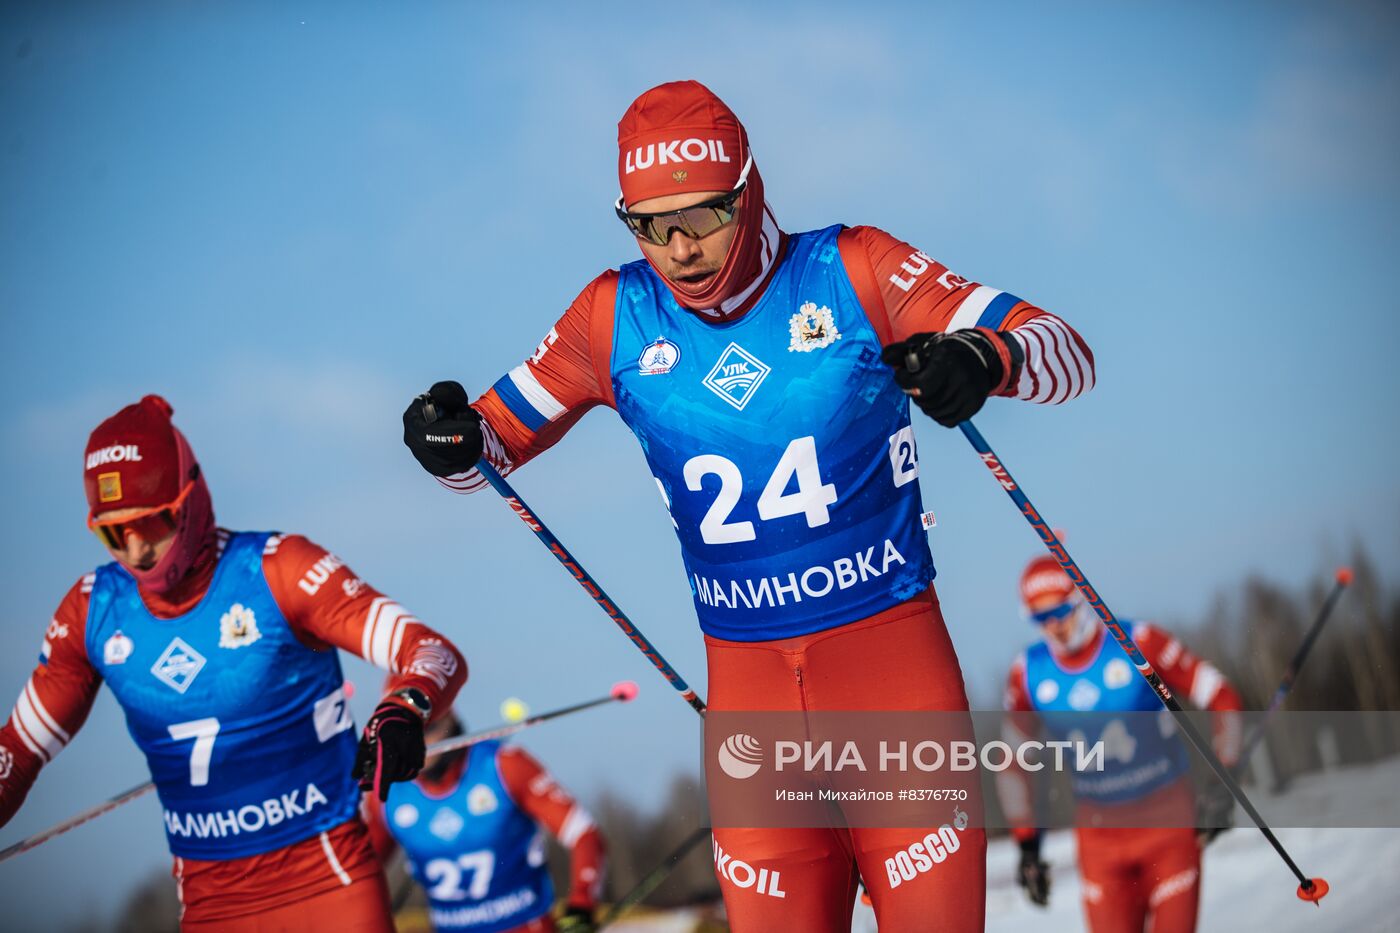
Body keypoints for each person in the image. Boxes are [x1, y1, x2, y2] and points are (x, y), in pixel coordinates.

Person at [401, 80, 1096, 931]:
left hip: (893, 684)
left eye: (704, 217)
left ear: (748, 190)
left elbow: (1064, 348)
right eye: (651, 226)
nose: (681, 248)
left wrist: (984, 357)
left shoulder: (852, 267)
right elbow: (489, 452)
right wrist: (449, 441)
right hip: (752, 711)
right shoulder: (613, 316)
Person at [0, 395, 468, 931]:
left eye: (151, 524)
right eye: (112, 533)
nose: (134, 550)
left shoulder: (280, 570)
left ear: (190, 499)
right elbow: (17, 750)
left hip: (327, 884)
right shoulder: (93, 611)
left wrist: (404, 708)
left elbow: (429, 650)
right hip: (213, 906)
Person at [999, 554, 1242, 933]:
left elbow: (1221, 696)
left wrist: (1225, 781)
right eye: (1040, 618)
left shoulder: (1138, 641)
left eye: (1060, 611)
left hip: (1168, 826)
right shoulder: (1027, 672)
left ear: (1080, 599)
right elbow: (1012, 762)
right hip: (1100, 840)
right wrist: (1027, 843)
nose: (1055, 627)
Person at [364, 711, 606, 933]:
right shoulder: (387, 793)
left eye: (428, 729)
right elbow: (357, 871)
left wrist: (581, 906)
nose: (416, 742)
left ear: (449, 719)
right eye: (402, 732)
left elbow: (584, 833)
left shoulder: (503, 764)